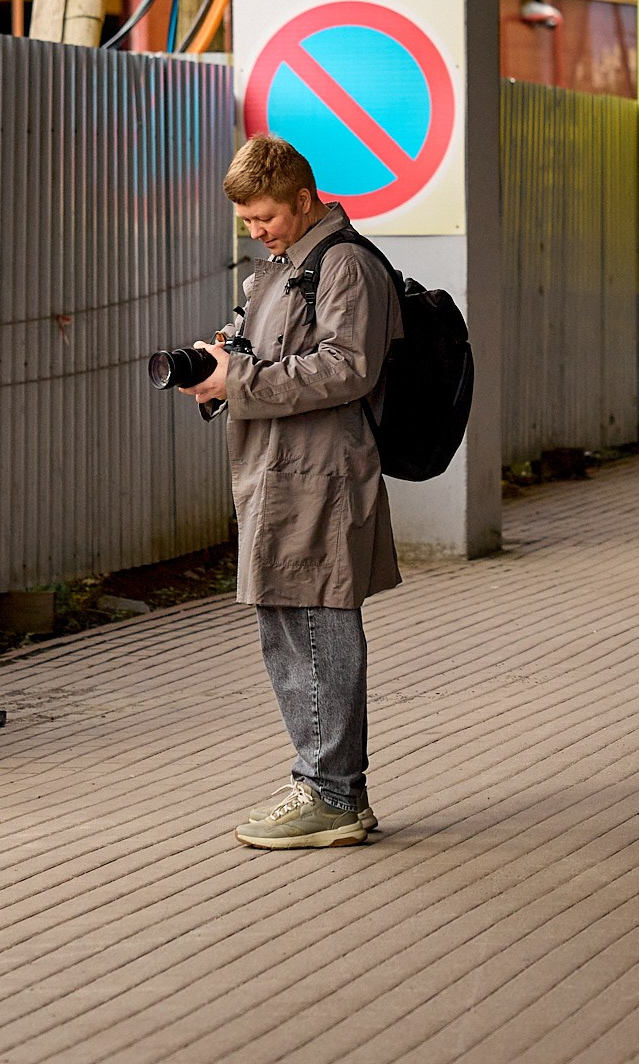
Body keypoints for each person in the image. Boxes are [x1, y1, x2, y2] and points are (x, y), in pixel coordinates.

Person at [181, 134, 399, 847]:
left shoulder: (345, 267)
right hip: (275, 473)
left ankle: (331, 795)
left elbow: (347, 369)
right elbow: (269, 364)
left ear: (304, 200)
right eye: (246, 223)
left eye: (265, 218)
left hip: (322, 477)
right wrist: (218, 374)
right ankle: (326, 787)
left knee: (317, 625)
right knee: (286, 627)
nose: (256, 232)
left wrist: (238, 381)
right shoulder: (279, 270)